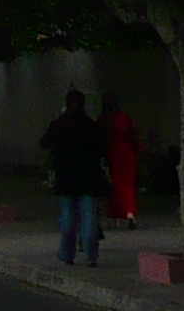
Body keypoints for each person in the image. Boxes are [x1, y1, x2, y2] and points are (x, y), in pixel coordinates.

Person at [40, 88, 110, 266]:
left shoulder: (58, 124)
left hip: (66, 177)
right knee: (89, 216)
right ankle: (91, 255)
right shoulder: (91, 125)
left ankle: (66, 254)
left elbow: (44, 143)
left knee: (68, 217)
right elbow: (103, 148)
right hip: (89, 177)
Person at [100, 93, 142, 227]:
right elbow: (134, 135)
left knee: (114, 186)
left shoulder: (104, 120)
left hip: (112, 154)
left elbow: (102, 138)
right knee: (128, 185)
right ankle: (130, 212)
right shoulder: (126, 118)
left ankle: (115, 217)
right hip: (128, 154)